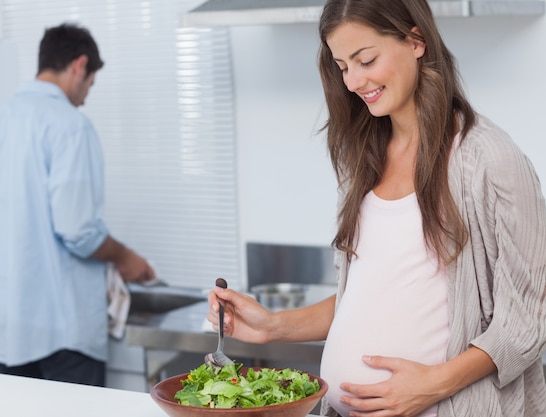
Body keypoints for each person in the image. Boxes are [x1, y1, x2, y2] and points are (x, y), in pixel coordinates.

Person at [206, 0, 546, 416]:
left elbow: (528, 320)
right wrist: (273, 326)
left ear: (415, 40)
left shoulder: (488, 160)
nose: (353, 81)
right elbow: (366, 296)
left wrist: (432, 385)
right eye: (343, 66)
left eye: (366, 60)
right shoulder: (363, 158)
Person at [0, 23, 154, 387]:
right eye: (90, 85)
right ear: (80, 65)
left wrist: (10, 231)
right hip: (60, 329)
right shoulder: (71, 126)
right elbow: (79, 232)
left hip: (4, 326)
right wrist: (125, 257)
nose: (85, 97)